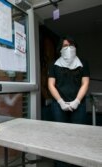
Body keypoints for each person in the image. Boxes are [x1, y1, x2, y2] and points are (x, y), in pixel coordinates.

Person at [48, 36, 90, 167]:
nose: (68, 48)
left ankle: (77, 163)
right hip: (58, 105)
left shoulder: (83, 63)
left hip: (79, 105)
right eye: (65, 46)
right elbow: (51, 84)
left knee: (78, 135)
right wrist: (61, 102)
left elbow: (85, 83)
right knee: (61, 136)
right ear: (60, 49)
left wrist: (77, 101)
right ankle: (61, 164)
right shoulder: (54, 65)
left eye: (71, 45)